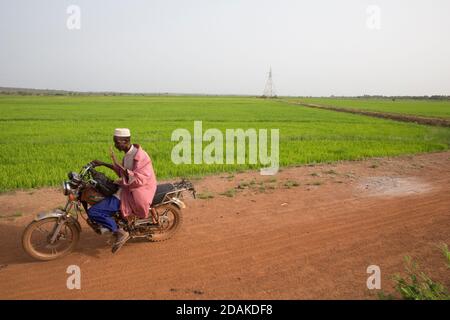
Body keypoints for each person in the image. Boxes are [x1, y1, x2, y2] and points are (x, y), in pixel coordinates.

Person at [89, 128, 157, 253]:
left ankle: (120, 233)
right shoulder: (128, 155)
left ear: (126, 140)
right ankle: (117, 222)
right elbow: (121, 170)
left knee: (94, 211)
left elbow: (140, 179)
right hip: (127, 187)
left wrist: (123, 171)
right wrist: (102, 163)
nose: (115, 145)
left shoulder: (140, 156)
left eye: (117, 142)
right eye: (114, 142)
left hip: (139, 190)